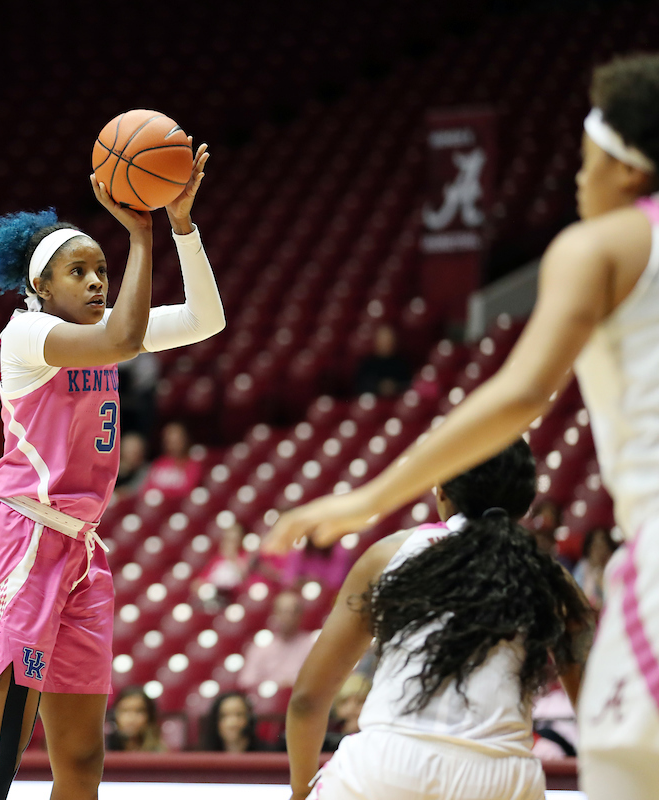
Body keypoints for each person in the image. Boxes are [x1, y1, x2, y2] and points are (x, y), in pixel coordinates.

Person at [266, 53, 659, 800]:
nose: (578, 180)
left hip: (386, 765)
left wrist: (363, 497)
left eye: (586, 161)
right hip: (506, 774)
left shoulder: (600, 245)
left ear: (629, 168)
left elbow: (519, 392)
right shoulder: (552, 583)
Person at [0, 143, 220, 800]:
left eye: (102, 269)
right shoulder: (25, 335)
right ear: (40, 287)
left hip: (78, 551)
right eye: (80, 272)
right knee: (1, 759)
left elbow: (205, 319)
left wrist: (182, 228)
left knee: (81, 762)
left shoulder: (100, 330)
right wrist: (138, 231)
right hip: (19, 541)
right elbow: (126, 340)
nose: (97, 282)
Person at [283, 440, 592, 800]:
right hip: (502, 780)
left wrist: (301, 791)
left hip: (385, 770)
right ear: (525, 501)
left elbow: (307, 700)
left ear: (441, 491)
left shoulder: (388, 555)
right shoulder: (556, 581)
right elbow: (595, 711)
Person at [237, 591, 317, 693]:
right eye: (283, 611)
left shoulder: (312, 645)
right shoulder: (260, 647)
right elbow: (246, 681)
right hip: (265, 703)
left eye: (292, 612)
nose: (287, 617)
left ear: (300, 614)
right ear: (274, 614)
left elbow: (317, 679)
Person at [192, 521, 251, 608]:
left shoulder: (245, 556)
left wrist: (232, 558)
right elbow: (199, 581)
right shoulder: (217, 559)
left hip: (232, 598)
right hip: (212, 596)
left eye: (234, 540)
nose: (230, 543)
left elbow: (246, 577)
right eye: (227, 539)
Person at [139, 422, 202, 500]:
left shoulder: (193, 465)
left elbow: (187, 490)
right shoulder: (159, 463)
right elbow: (147, 488)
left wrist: (162, 493)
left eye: (177, 440)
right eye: (169, 440)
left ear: (185, 439)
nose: (173, 443)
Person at [353, 324, 412, 398]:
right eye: (383, 340)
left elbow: (408, 385)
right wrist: (379, 387)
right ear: (376, 341)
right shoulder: (367, 364)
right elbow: (361, 386)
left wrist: (394, 387)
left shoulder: (402, 364)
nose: (386, 343)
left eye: (388, 340)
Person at [105, 686, 163, 752]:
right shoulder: (104, 750)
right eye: (125, 711)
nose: (131, 718)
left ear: (149, 716)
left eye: (139, 711)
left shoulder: (160, 753)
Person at [573, 526, 619, 611]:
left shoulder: (616, 564)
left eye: (603, 545)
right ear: (589, 549)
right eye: (595, 546)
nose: (599, 551)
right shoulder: (583, 567)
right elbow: (577, 596)